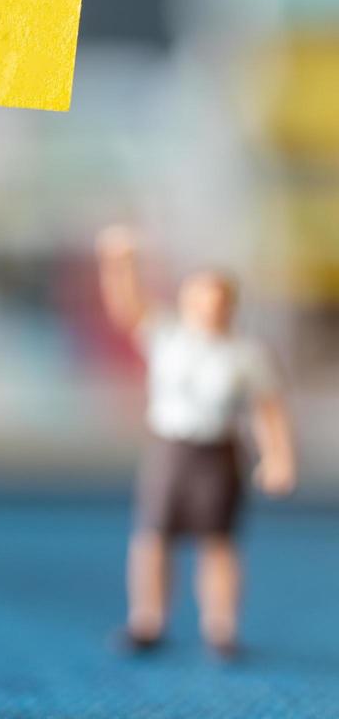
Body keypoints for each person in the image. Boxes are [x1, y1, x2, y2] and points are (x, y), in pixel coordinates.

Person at [96, 225, 296, 659]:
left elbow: (268, 409)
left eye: (218, 301)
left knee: (218, 541)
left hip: (218, 452)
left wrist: (278, 456)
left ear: (231, 306)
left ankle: (221, 628)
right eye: (201, 300)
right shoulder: (165, 333)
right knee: (152, 536)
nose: (209, 309)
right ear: (186, 302)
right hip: (171, 448)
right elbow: (126, 307)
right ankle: (147, 620)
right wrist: (119, 262)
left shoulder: (247, 353)